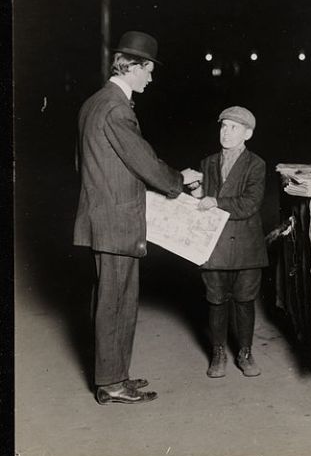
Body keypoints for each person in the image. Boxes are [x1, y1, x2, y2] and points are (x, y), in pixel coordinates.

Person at [74, 31, 203, 404]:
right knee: (117, 302)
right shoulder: (117, 108)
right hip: (117, 221)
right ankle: (112, 383)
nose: (151, 77)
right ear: (131, 67)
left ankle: (114, 375)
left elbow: (86, 164)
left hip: (103, 215)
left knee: (110, 300)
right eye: (148, 69)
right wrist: (179, 181)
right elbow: (143, 161)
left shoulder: (93, 104)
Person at [192, 106, 267, 378]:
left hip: (246, 245)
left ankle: (245, 353)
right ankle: (218, 352)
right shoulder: (208, 162)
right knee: (216, 300)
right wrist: (198, 192)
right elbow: (206, 197)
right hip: (215, 245)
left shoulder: (256, 165)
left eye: (233, 127)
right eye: (223, 126)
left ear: (247, 133)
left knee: (245, 300)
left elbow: (250, 203)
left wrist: (215, 202)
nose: (226, 132)